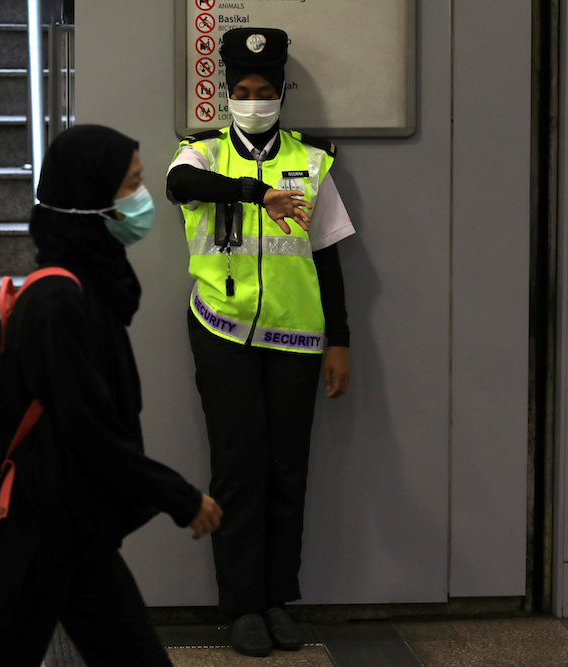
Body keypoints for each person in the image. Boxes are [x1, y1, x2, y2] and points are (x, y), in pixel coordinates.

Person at [0, 125, 223, 667]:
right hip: (38, 537)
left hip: (76, 533)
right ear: (88, 197)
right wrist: (178, 496)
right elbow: (89, 428)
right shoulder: (59, 301)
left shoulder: (87, 289)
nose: (141, 200)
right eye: (130, 186)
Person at [166, 27, 355, 658]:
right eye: (243, 91)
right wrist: (256, 192)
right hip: (222, 329)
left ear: (281, 94)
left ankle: (278, 599)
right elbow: (181, 188)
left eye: (265, 90)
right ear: (227, 94)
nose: (254, 100)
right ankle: (242, 605)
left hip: (297, 335)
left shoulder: (312, 160)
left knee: (286, 471)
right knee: (238, 469)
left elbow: (328, 259)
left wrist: (340, 341)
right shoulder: (201, 154)